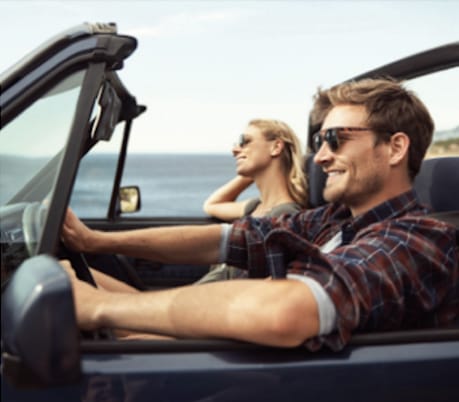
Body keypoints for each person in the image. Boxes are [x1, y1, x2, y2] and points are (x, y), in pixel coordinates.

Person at [61, 78, 458, 351]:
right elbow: (226, 239)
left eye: (335, 140)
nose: (319, 156)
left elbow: (287, 311)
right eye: (320, 140)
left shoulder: (418, 241)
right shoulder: (333, 220)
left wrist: (98, 306)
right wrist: (94, 241)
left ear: (394, 148)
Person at [197, 118, 308, 283]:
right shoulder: (256, 207)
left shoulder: (285, 216)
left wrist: (249, 169)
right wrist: (249, 173)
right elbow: (212, 205)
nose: (235, 150)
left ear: (276, 147)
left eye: (244, 142)